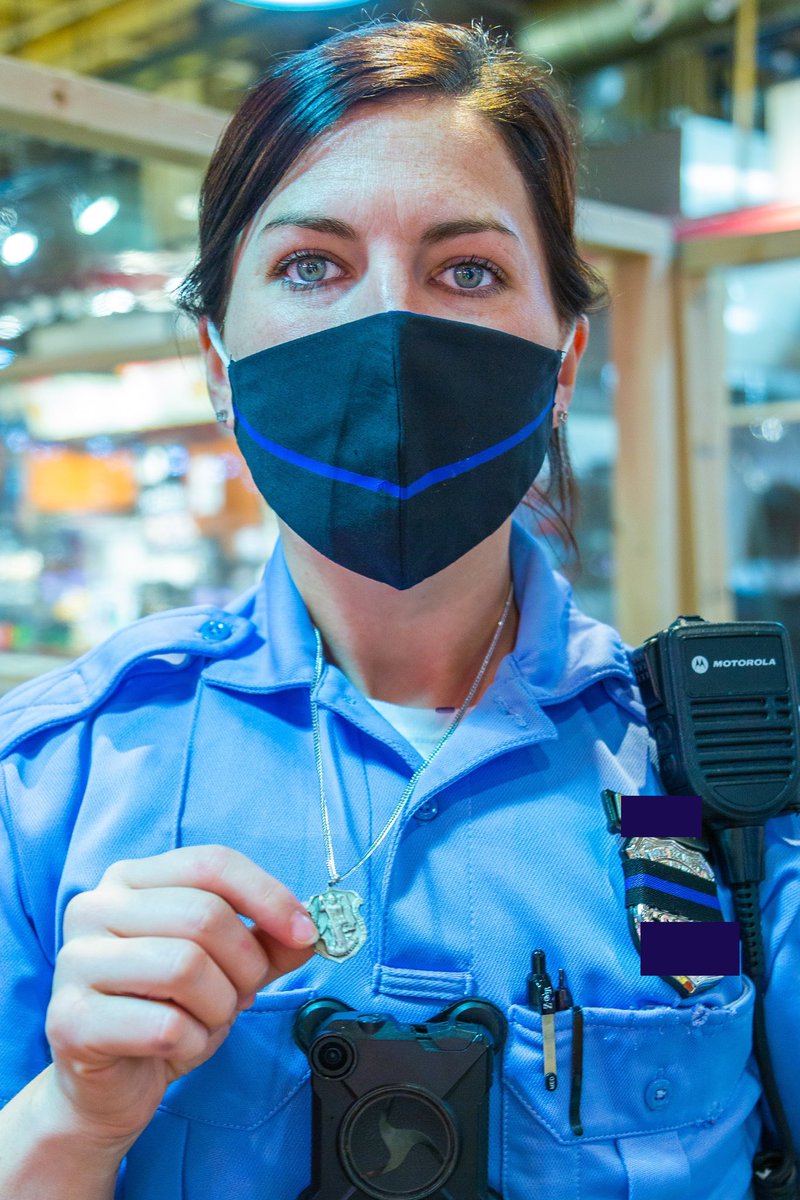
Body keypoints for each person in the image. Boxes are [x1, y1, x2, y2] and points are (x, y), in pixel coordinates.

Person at [0, 19, 797, 1200]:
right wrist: (73, 1112)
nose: (387, 330)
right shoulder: (57, 779)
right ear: (218, 361)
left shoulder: (731, 786)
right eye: (310, 266)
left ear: (562, 360)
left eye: (466, 269)